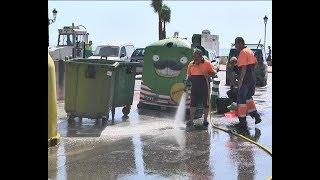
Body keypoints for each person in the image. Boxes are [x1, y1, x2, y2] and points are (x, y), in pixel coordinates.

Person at [233, 37, 262, 129]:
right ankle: (256, 116)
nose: (236, 46)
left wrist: (240, 80)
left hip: (245, 80)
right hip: (252, 79)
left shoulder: (243, 52)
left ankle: (242, 122)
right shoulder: (250, 51)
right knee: (248, 98)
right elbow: (255, 64)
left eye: (236, 44)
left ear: (240, 43)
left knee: (241, 100)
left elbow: (244, 68)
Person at [186, 48, 216, 130]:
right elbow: (188, 75)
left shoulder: (207, 63)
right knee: (193, 104)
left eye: (197, 58)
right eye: (194, 57)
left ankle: (205, 120)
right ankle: (191, 120)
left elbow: (214, 73)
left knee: (205, 104)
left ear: (201, 56)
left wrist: (208, 74)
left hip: (204, 87)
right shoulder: (191, 64)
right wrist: (187, 83)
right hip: (195, 87)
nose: (195, 59)